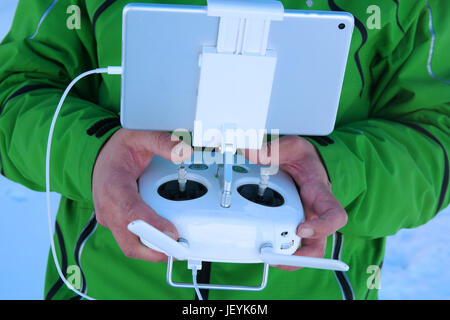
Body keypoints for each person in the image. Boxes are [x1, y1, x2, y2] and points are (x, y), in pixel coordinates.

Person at [0, 0, 448, 300]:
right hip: (109, 283)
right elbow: (14, 91)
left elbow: (438, 127)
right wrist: (91, 154)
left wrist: (339, 170)